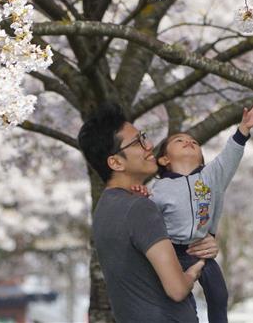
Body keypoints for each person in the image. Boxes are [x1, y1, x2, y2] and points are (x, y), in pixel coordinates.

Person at [78, 102, 219, 323]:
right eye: (138, 142)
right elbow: (177, 289)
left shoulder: (105, 207)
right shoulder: (139, 208)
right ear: (115, 162)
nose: (149, 145)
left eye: (144, 136)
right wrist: (196, 268)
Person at [145, 99, 253, 323]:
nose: (188, 142)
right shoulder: (158, 189)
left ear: (202, 159)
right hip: (172, 252)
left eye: (193, 141)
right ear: (164, 159)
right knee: (180, 297)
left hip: (200, 249)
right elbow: (147, 217)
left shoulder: (210, 177)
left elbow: (229, 157)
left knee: (219, 295)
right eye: (179, 140)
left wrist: (243, 129)